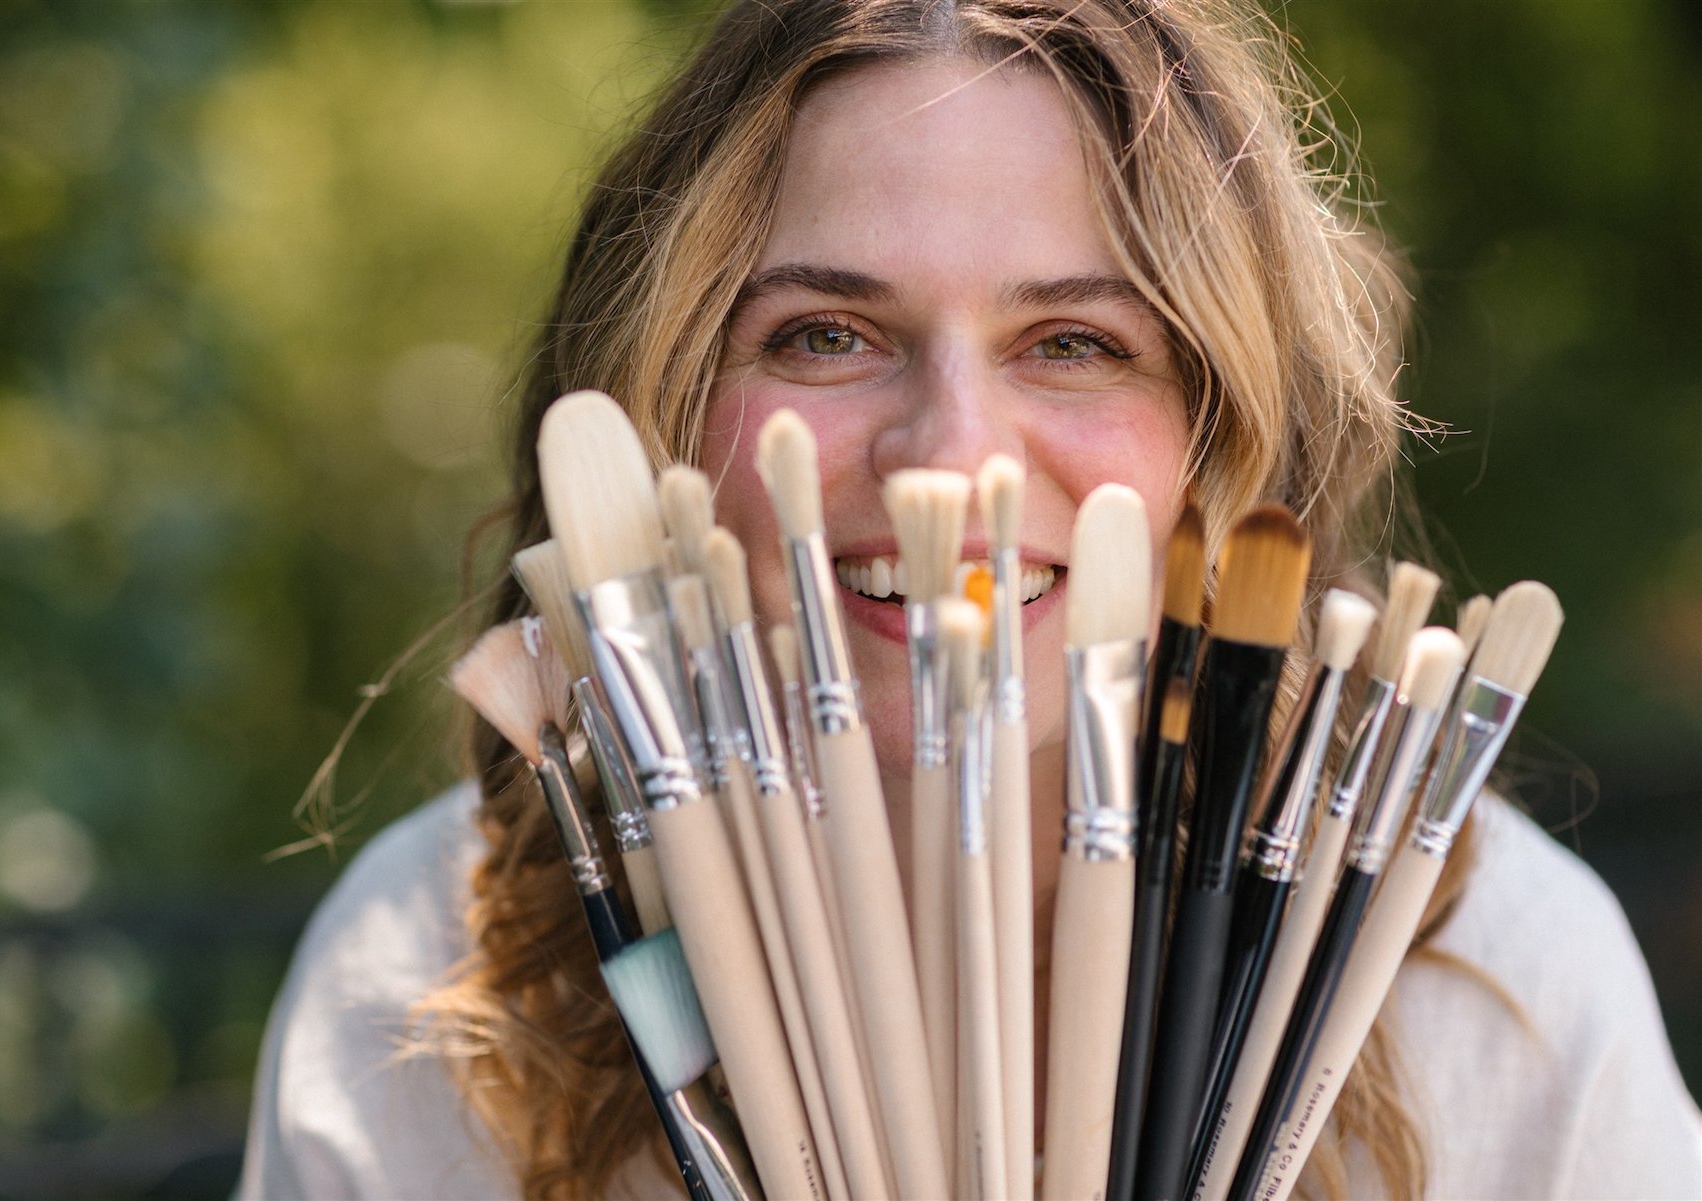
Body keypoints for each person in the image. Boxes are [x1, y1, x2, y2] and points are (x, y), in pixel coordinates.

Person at [238, 1, 1702, 1198]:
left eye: (1074, 342)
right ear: (659, 401)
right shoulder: (428, 966)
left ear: (1224, 441)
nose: (950, 451)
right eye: (823, 334)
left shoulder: (1499, 978)